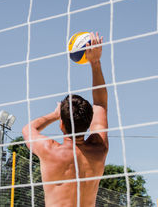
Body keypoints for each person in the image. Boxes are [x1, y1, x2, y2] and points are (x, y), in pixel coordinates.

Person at [22, 32, 108, 207]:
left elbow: (28, 129)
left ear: (62, 124)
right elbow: (100, 104)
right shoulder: (99, 150)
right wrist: (95, 63)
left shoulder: (50, 150)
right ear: (89, 121)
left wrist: (54, 114)